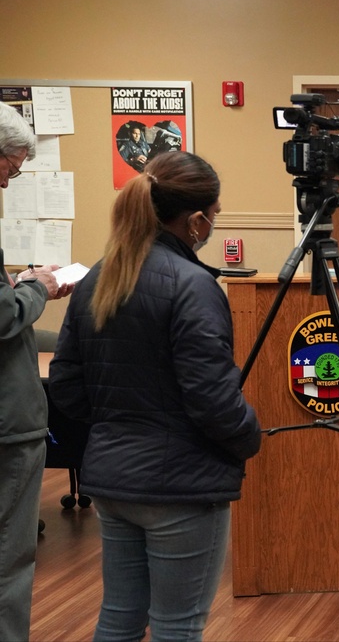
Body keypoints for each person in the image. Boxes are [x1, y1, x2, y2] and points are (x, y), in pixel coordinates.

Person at [48, 151, 262, 640]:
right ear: (196, 221)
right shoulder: (194, 285)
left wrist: (116, 422)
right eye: (216, 214)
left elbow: (64, 383)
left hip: (112, 481)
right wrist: (250, 437)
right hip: (181, 487)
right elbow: (212, 397)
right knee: (177, 626)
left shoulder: (99, 277)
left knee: (119, 617)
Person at [0, 101, 74, 642]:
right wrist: (37, 288)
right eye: (12, 166)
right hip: (8, 424)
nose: (11, 180)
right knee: (9, 555)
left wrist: (19, 282)